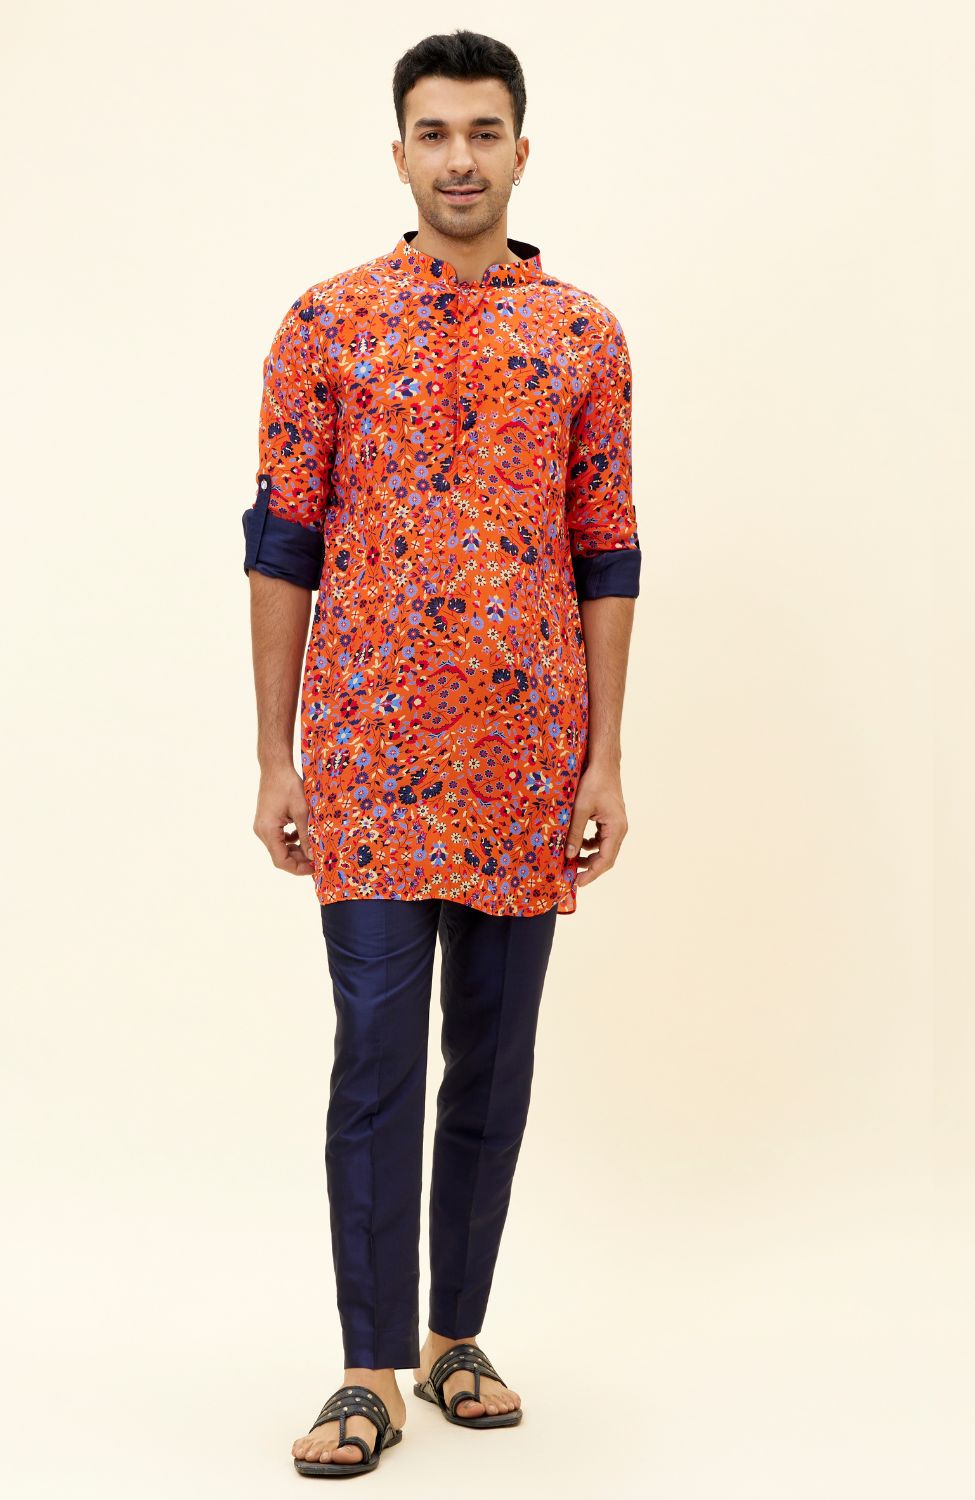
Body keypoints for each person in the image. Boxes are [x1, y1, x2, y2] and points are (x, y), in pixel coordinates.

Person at [242, 28, 641, 1479]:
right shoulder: (328, 323)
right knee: (375, 1056)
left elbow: (608, 550)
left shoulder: (583, 335)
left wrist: (605, 760)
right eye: (434, 132)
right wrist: (276, 754)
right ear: (399, 151)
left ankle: (454, 1335)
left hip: (528, 760)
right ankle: (369, 1369)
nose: (459, 158)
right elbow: (283, 542)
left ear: (521, 151)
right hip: (365, 750)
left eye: (483, 132)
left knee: (494, 1059)